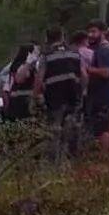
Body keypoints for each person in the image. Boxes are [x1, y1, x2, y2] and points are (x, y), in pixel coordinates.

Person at [35, 26, 83, 161]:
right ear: (62, 37)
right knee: (72, 127)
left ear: (47, 39)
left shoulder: (46, 56)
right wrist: (81, 91)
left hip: (54, 98)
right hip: (73, 96)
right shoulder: (74, 53)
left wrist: (36, 95)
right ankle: (71, 159)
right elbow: (84, 75)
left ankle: (53, 162)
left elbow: (39, 78)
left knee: (54, 130)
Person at [85, 21, 109, 152]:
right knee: (98, 128)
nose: (90, 35)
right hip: (98, 96)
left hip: (104, 97)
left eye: (94, 31)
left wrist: (87, 69)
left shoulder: (105, 50)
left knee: (102, 129)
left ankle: (103, 157)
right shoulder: (99, 49)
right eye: (89, 32)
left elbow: (105, 72)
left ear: (103, 32)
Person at [4, 44, 37, 121]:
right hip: (18, 102)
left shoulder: (34, 67)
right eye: (35, 52)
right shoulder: (18, 65)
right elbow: (19, 79)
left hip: (28, 101)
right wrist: (28, 63)